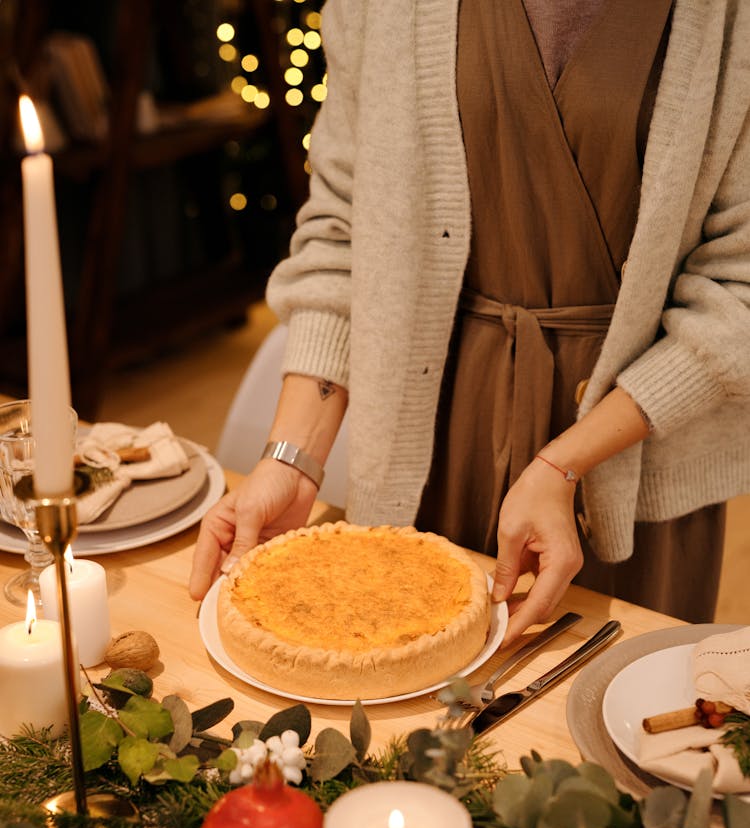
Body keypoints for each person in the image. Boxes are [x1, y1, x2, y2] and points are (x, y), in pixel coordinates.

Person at [190, 0, 750, 647]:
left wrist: (566, 462)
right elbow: (345, 227)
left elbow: (739, 284)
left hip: (640, 455)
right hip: (436, 433)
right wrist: (291, 459)